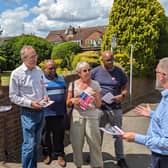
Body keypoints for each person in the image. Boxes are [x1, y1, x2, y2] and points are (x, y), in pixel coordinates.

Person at [122, 57, 168, 168]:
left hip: (164, 158)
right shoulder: (165, 96)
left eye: (156, 72)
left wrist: (136, 138)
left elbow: (167, 143)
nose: (155, 75)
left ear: (163, 75)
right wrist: (152, 114)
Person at [9, 45, 48, 168]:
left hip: (41, 111)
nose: (35, 58)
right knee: (29, 145)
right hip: (28, 113)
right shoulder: (16, 74)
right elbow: (13, 96)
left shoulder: (38, 70)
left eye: (35, 56)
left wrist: (45, 97)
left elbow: (43, 87)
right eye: (32, 57)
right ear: (23, 58)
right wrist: (30, 103)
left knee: (36, 144)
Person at [91, 50, 129, 168]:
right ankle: (96, 156)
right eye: (108, 60)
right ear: (102, 60)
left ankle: (120, 158)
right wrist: (96, 97)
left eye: (112, 59)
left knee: (118, 134)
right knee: (98, 134)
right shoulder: (95, 72)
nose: (111, 62)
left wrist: (121, 96)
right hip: (99, 108)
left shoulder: (119, 72)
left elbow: (125, 87)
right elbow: (86, 84)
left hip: (115, 108)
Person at [66, 61, 104, 168]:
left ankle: (97, 165)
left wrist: (96, 95)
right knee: (77, 144)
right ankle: (78, 164)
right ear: (79, 73)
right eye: (84, 70)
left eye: (89, 70)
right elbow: (67, 103)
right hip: (77, 116)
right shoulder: (73, 84)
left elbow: (99, 104)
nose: (87, 72)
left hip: (92, 115)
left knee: (94, 143)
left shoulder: (95, 84)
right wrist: (73, 100)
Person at [41, 60, 66, 167]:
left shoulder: (61, 78)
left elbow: (64, 91)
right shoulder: (40, 80)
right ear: (45, 69)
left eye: (54, 68)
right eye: (50, 68)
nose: (53, 70)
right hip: (45, 113)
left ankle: (59, 154)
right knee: (45, 136)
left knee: (59, 135)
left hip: (59, 112)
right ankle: (47, 154)